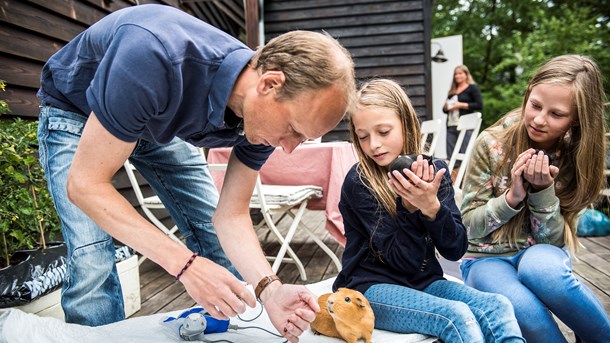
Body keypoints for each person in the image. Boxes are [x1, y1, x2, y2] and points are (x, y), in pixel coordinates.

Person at [36, 4, 356, 341]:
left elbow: (229, 216)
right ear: (270, 84)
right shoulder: (153, 55)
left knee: (213, 235)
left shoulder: (262, 115)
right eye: (292, 130)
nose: (288, 148)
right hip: (78, 110)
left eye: (303, 138)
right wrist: (185, 265)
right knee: (92, 261)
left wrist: (270, 289)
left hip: (155, 119)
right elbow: (85, 185)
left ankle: (226, 329)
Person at [333, 79, 524, 342]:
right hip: (371, 287)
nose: (374, 144)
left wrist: (432, 208)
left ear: (406, 124)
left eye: (384, 132)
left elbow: (455, 249)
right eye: (363, 136)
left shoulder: (436, 172)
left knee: (498, 306)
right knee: (455, 315)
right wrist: (410, 207)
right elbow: (403, 261)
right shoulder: (360, 182)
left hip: (424, 281)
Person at [459, 55, 610, 342]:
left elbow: (552, 241)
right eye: (536, 105)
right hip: (484, 258)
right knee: (523, 309)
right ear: (528, 94)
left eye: (556, 114)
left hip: (541, 250)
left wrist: (542, 192)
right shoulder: (491, 144)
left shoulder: (574, 155)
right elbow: (468, 228)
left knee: (545, 273)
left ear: (577, 120)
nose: (539, 120)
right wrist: (513, 197)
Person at [442, 65, 483, 160]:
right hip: (451, 125)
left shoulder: (472, 88)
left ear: (466, 74)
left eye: (460, 73)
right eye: (455, 74)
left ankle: (464, 174)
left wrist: (460, 105)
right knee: (451, 155)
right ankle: (454, 174)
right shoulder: (452, 91)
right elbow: (444, 110)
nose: (457, 76)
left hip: (466, 125)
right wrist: (446, 106)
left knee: (465, 153)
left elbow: (479, 105)